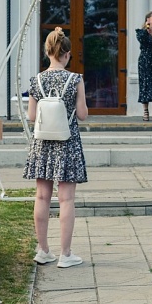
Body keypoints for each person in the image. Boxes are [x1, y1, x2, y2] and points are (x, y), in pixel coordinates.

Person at [24, 27, 88, 268]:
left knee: (41, 196)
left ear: (47, 52)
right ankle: (66, 253)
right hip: (67, 142)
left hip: (42, 143)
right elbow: (82, 115)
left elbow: (32, 116)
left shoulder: (36, 80)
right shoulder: (75, 79)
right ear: (67, 54)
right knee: (66, 200)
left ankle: (43, 250)